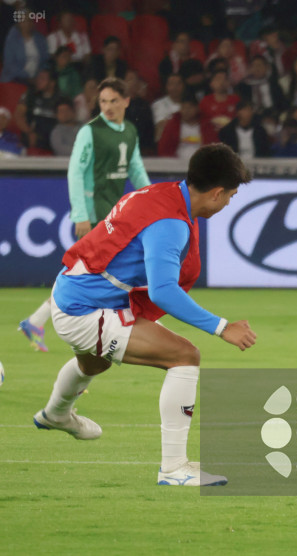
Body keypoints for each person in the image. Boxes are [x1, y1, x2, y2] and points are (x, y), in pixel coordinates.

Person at [33, 143, 256, 487]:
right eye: (230, 195)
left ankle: (55, 414)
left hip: (73, 291)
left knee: (95, 362)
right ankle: (174, 468)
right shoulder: (171, 224)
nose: (228, 203)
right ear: (215, 193)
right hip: (85, 309)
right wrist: (222, 327)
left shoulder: (160, 194)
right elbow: (163, 291)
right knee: (185, 356)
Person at [19, 77, 151, 352]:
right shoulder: (90, 132)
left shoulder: (130, 131)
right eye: (103, 101)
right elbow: (75, 172)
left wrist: (154, 201)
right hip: (93, 214)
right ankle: (83, 343)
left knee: (84, 275)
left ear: (126, 101)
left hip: (114, 213)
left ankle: (36, 322)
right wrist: (80, 213)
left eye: (114, 100)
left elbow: (136, 170)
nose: (108, 106)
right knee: (86, 276)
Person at [158, 94, 218, 159]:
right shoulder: (172, 125)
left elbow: (213, 148)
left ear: (197, 108)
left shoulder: (207, 125)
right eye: (183, 107)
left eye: (190, 107)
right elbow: (164, 148)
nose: (186, 111)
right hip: (175, 164)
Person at [0, 9, 49, 84]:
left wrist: (39, 75)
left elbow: (45, 60)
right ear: (19, 23)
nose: (27, 23)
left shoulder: (40, 39)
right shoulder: (12, 40)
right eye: (24, 21)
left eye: (29, 20)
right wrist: (27, 77)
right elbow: (9, 65)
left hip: (37, 78)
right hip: (16, 78)